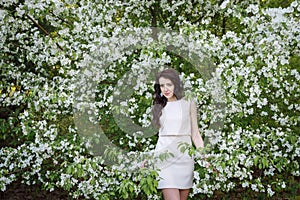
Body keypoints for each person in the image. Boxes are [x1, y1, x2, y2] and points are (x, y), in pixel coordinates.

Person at [151, 68, 205, 200]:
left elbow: (195, 134)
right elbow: (160, 136)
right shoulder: (158, 105)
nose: (165, 89)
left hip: (184, 158)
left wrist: (205, 157)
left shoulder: (188, 102)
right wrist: (149, 159)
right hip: (165, 158)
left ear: (176, 84)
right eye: (162, 86)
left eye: (169, 84)